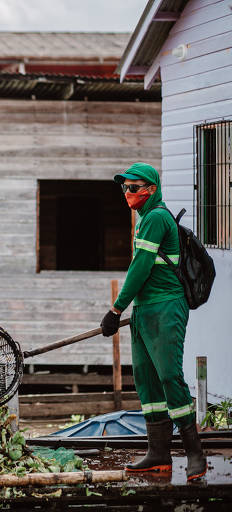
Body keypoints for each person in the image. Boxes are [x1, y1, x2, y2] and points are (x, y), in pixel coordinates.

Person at [101, 162, 206, 482]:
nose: (127, 193)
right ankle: (158, 453)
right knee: (147, 380)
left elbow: (141, 266)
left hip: (165, 307)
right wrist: (129, 309)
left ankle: (195, 453)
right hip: (145, 310)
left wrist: (116, 310)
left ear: (151, 190)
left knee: (170, 377)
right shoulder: (144, 218)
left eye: (134, 188)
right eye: (125, 188)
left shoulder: (157, 217)